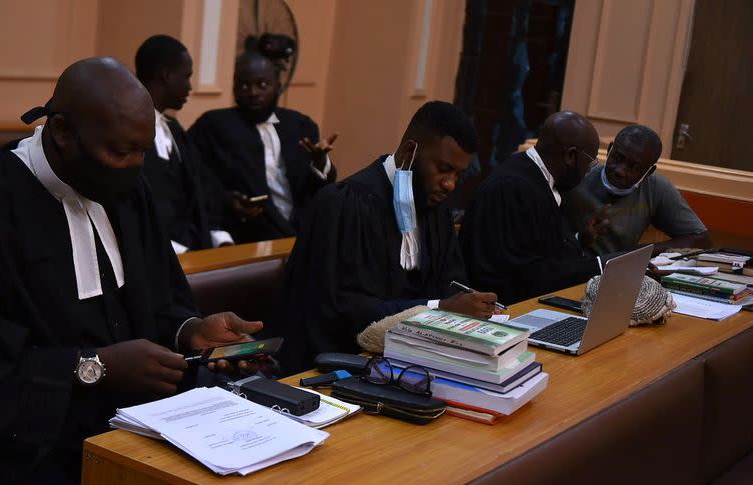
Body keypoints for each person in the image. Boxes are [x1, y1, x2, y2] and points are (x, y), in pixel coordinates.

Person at [0, 57, 262, 485]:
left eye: (142, 152)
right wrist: (94, 368)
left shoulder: (124, 186)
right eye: (121, 152)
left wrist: (189, 330)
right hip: (32, 455)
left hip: (139, 423)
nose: (135, 168)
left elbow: (153, 299)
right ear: (61, 132)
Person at [276, 101, 499, 375]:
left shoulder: (436, 210)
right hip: (335, 370)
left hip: (412, 363)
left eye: (458, 174)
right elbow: (345, 312)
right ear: (409, 151)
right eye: (442, 168)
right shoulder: (344, 205)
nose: (450, 184)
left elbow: (451, 283)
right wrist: (437, 307)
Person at [459, 111, 608, 306]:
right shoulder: (512, 188)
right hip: (500, 313)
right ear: (571, 156)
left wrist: (580, 240)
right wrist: (601, 265)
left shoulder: (538, 177)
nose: (588, 171)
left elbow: (541, 250)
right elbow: (524, 276)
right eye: (590, 162)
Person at [188, 50, 338, 243]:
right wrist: (224, 199)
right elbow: (194, 179)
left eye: (262, 85)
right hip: (246, 233)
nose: (252, 92)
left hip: (303, 231)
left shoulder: (300, 125)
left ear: (278, 87)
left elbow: (318, 190)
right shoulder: (213, 125)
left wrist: (320, 164)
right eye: (243, 85)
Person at [135, 34, 233, 253]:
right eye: (187, 76)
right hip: (156, 253)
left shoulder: (175, 129)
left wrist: (217, 236)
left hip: (194, 248)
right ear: (167, 75)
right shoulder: (129, 134)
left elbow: (198, 194)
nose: (190, 87)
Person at [562, 124, 710, 256]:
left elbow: (701, 240)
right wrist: (579, 238)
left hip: (616, 274)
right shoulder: (580, 172)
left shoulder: (655, 188)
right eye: (617, 158)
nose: (620, 171)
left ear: (649, 172)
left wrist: (639, 253)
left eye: (634, 167)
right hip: (566, 267)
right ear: (609, 150)